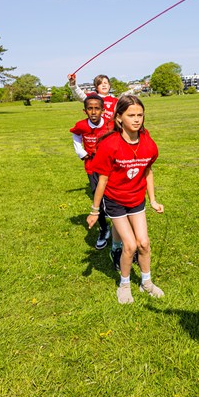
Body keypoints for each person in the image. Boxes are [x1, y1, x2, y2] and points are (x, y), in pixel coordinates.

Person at [88, 95, 165, 304]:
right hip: (115, 201)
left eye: (140, 115)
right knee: (129, 245)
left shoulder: (148, 142)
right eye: (131, 115)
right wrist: (95, 210)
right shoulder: (110, 144)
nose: (137, 119)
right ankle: (124, 285)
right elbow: (102, 180)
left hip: (136, 199)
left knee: (144, 243)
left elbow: (148, 171)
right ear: (119, 118)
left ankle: (146, 283)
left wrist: (153, 200)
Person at [69, 94, 116, 250]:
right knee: (98, 196)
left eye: (97, 108)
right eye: (90, 109)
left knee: (113, 197)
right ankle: (104, 228)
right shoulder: (81, 125)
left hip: (110, 167)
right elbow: (75, 134)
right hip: (92, 166)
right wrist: (81, 152)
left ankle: (119, 230)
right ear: (85, 111)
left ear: (103, 110)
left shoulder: (110, 124)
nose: (94, 112)